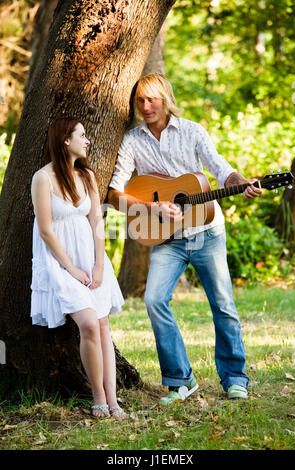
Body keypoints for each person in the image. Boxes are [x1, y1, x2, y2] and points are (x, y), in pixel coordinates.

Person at [107, 73, 262, 405]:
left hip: (207, 232)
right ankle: (180, 381)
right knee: (153, 300)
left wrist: (242, 181)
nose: (146, 107)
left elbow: (221, 169)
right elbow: (113, 193)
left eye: (152, 100)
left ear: (166, 99)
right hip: (167, 239)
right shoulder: (132, 140)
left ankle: (235, 378)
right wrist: (152, 207)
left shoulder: (191, 130)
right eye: (140, 101)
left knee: (223, 304)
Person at [31, 117, 128, 419]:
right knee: (87, 324)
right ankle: (98, 398)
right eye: (82, 135)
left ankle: (113, 401)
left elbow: (97, 222)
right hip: (60, 262)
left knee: (102, 326)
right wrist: (71, 268)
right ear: (65, 140)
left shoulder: (87, 176)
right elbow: (46, 230)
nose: (87, 141)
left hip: (90, 259)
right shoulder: (42, 178)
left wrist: (99, 265)